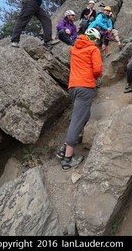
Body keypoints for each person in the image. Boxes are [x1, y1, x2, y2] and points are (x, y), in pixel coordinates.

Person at [56, 27, 103, 171]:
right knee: (78, 120)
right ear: (94, 40)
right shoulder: (93, 50)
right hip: (85, 87)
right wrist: (93, 78)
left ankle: (65, 148)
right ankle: (67, 159)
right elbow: (98, 70)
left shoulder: (75, 49)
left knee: (84, 116)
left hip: (73, 87)